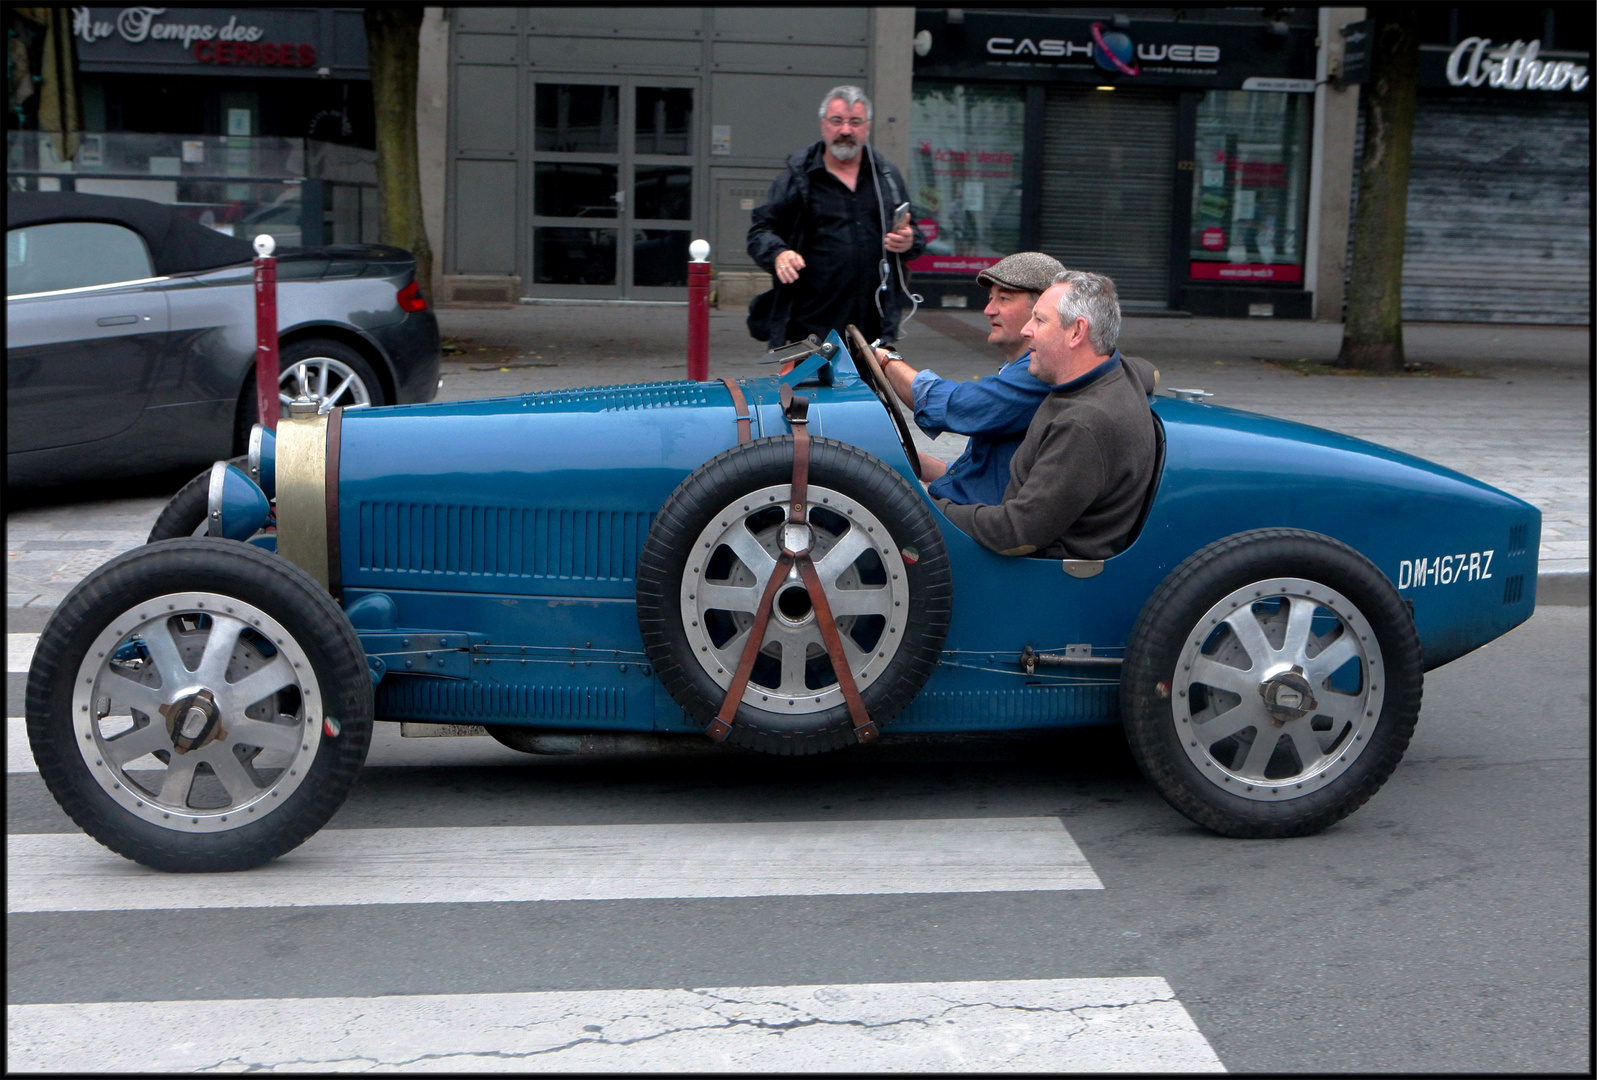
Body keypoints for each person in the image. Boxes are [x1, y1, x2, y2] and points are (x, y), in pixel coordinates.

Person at [936, 270, 1159, 560]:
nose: (1026, 330)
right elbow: (1150, 372)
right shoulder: (1119, 372)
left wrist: (928, 508)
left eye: (1039, 320)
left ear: (1077, 332)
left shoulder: (1083, 425)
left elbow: (1015, 534)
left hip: (1035, 575)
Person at [872, 251, 1064, 506]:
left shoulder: (1038, 373)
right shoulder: (1019, 368)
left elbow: (952, 405)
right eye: (989, 299)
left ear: (1041, 311)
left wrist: (884, 360)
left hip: (987, 523)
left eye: (1003, 299)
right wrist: (910, 461)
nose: (988, 310)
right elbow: (983, 475)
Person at [746, 85, 926, 347]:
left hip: (873, 327)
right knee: (808, 389)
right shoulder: (798, 178)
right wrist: (778, 253)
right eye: (837, 121)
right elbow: (760, 231)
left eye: (855, 122)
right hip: (811, 327)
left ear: (867, 127)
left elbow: (915, 233)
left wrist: (910, 241)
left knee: (868, 389)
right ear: (823, 126)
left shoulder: (886, 177)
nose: (845, 130)